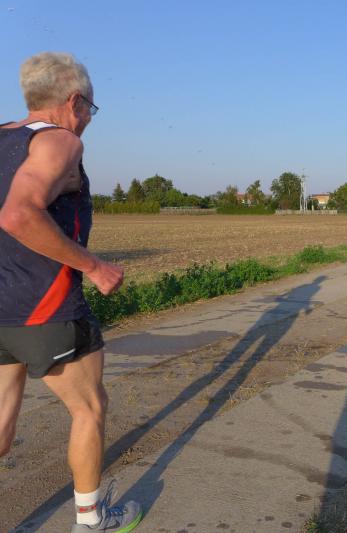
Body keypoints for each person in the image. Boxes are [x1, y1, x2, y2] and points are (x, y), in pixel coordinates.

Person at [0, 52, 142, 531]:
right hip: (46, 306)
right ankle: (91, 520)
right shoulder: (60, 140)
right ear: (74, 101)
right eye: (90, 110)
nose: (88, 121)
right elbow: (18, 214)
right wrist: (94, 267)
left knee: (1, 423)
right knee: (89, 407)